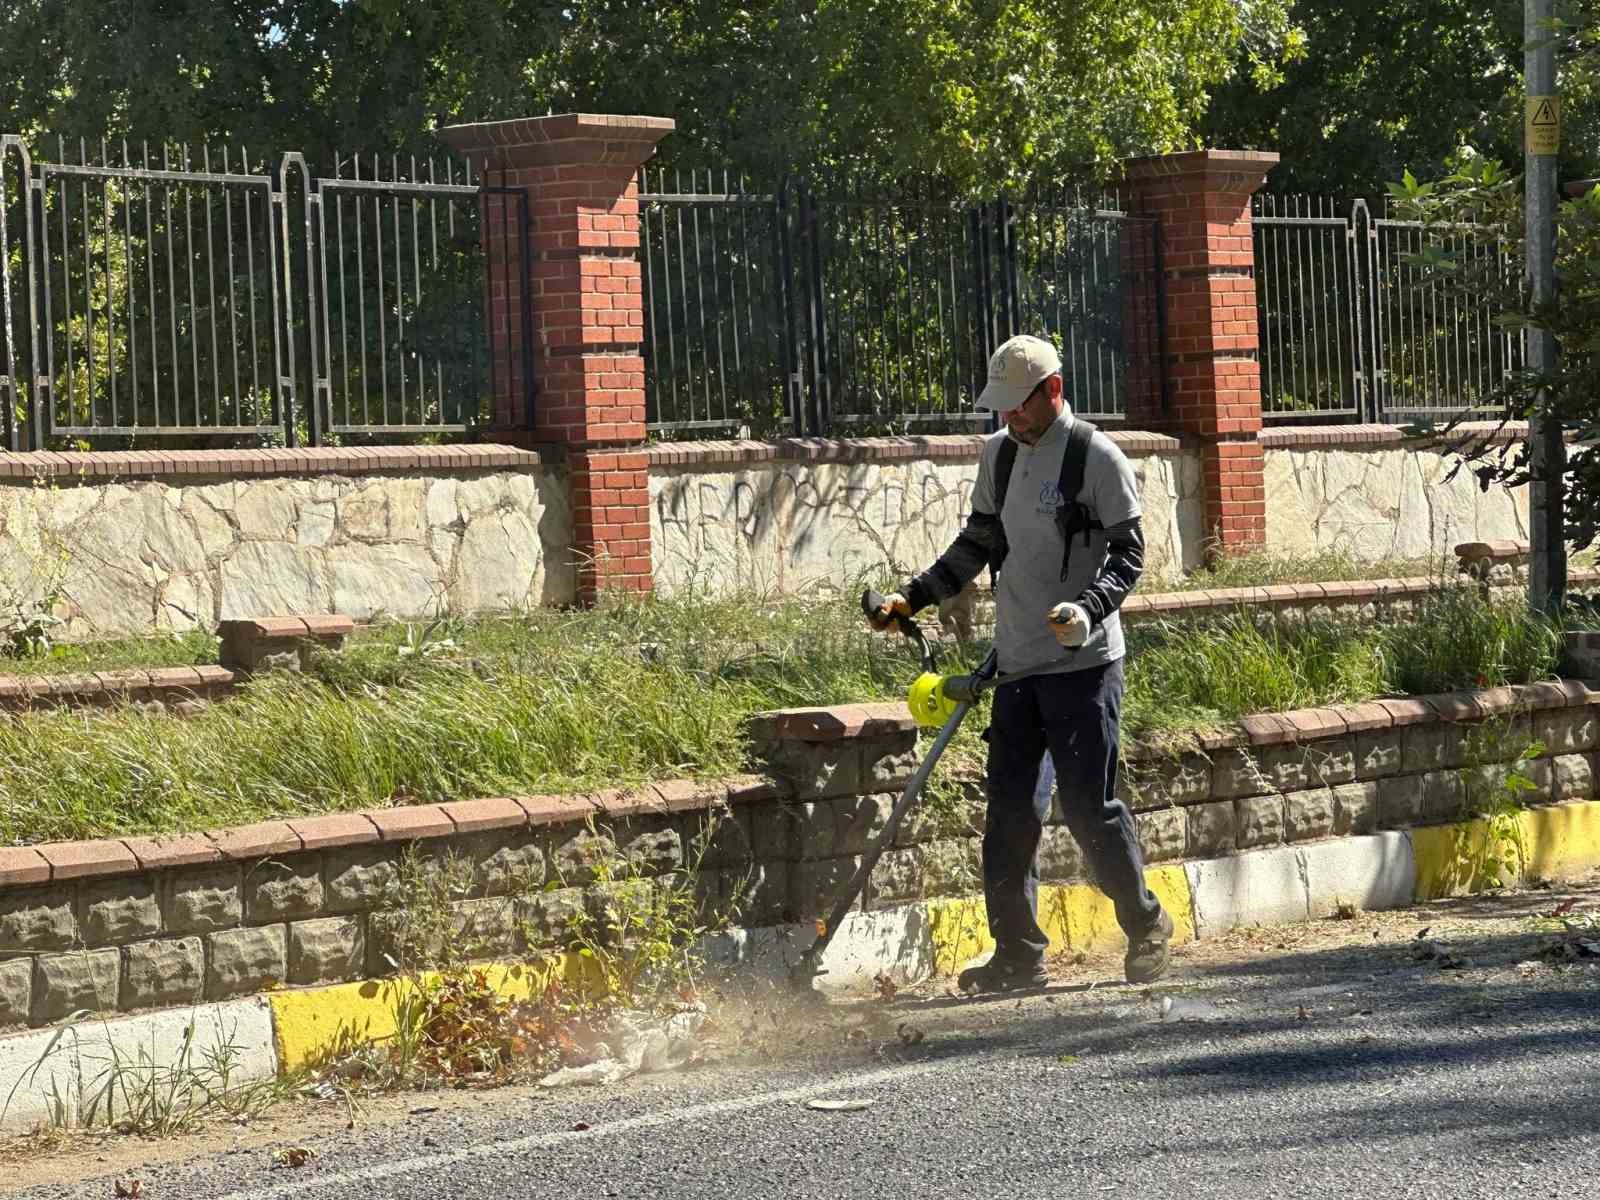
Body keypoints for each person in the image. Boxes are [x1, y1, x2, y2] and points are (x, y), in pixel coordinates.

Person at [868, 333, 1172, 990]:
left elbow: (1128, 556)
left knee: (1091, 812)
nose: (1009, 416)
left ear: (1053, 391)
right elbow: (978, 544)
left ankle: (1146, 925)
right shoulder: (999, 458)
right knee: (1009, 814)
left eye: (1019, 405)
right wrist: (912, 597)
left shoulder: (1096, 457)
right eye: (1001, 406)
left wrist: (1088, 609)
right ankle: (1017, 955)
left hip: (1084, 667)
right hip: (1015, 668)